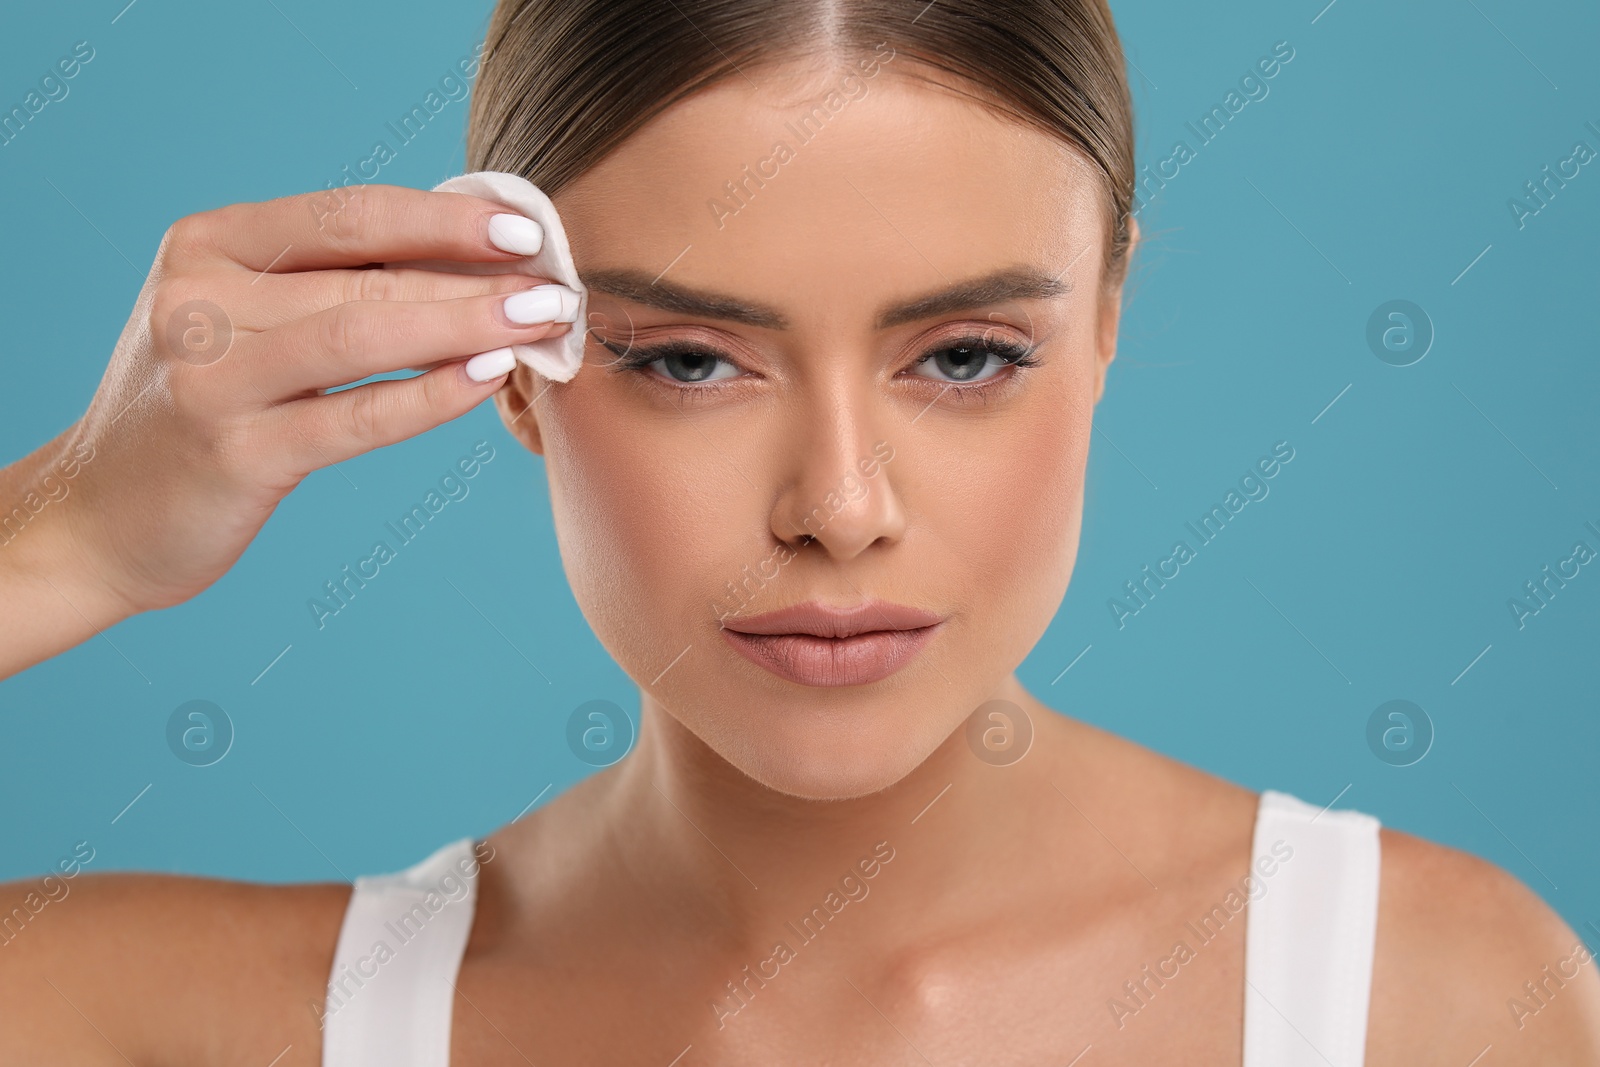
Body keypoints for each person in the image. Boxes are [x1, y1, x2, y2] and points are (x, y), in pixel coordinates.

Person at [1, 0, 1596, 1063]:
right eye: (690, 360)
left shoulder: (1436, 1000)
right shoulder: (188, 1023)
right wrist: (69, 537)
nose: (839, 510)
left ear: (1106, 319)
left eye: (965, 357)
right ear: (519, 372)